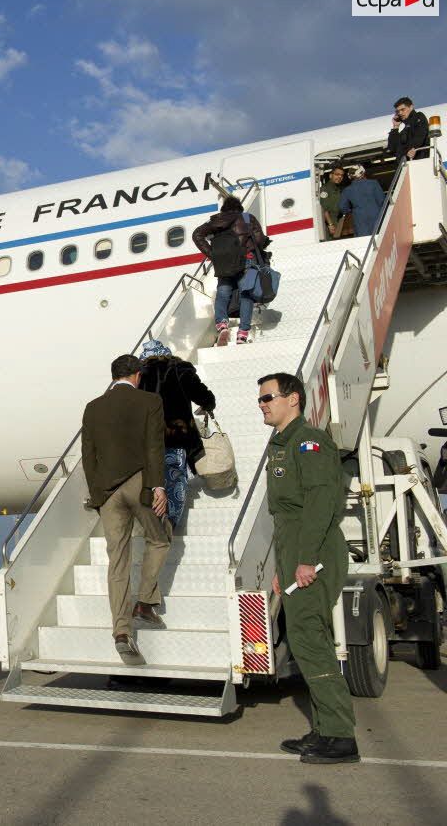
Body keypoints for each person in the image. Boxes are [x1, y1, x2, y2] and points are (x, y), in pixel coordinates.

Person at [257, 373, 358, 764]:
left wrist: (304, 559)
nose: (263, 404)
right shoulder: (282, 444)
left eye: (268, 397)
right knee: (304, 639)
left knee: (309, 638)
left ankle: (340, 736)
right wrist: (285, 566)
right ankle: (323, 729)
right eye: (260, 399)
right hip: (296, 550)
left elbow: (319, 503)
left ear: (293, 399)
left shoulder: (309, 441)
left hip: (313, 550)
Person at [81, 355, 170, 664]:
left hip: (106, 491)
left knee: (117, 561)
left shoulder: (93, 408)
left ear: (113, 376)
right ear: (137, 376)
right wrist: (158, 486)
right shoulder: (150, 401)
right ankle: (145, 602)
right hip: (140, 483)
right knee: (159, 538)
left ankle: (121, 632)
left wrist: (97, 496)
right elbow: (154, 446)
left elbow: (87, 455)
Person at [138, 340, 216, 534]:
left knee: (154, 479)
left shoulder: (139, 376)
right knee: (175, 478)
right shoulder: (180, 368)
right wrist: (209, 404)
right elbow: (201, 394)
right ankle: (170, 522)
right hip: (177, 436)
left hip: (148, 440)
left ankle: (154, 521)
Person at [193, 197, 270, 345]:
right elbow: (259, 240)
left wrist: (212, 254)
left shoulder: (216, 220)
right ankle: (242, 333)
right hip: (246, 260)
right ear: (239, 208)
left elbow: (197, 235)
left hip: (223, 262)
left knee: (223, 293)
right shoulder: (247, 218)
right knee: (246, 294)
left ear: (224, 209)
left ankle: (222, 324)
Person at [338, 166, 385, 238]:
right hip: (377, 216)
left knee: (364, 241)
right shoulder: (373, 184)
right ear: (363, 173)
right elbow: (382, 201)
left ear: (350, 176)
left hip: (359, 219)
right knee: (380, 238)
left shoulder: (347, 190)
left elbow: (342, 207)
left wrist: (350, 211)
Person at [387, 97, 430, 162]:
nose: (400, 113)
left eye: (403, 109)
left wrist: (413, 148)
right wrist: (395, 127)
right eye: (398, 111)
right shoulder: (404, 131)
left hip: (418, 162)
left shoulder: (418, 116)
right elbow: (392, 148)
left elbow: (420, 134)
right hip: (404, 165)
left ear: (411, 107)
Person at [318, 166, 347, 240]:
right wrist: (330, 224)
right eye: (337, 174)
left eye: (341, 175)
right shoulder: (325, 189)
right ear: (331, 175)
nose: (339, 177)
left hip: (336, 220)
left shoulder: (336, 188)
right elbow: (323, 208)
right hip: (329, 221)